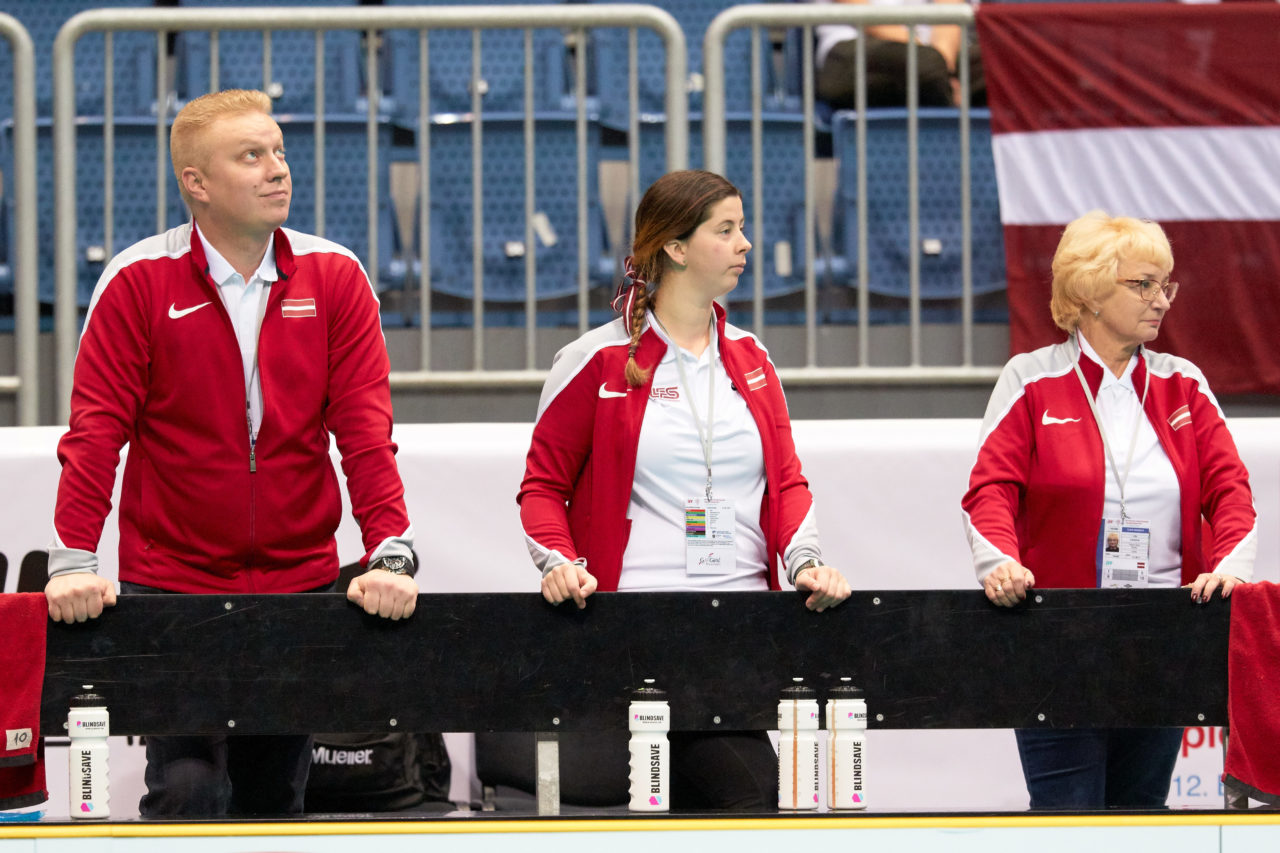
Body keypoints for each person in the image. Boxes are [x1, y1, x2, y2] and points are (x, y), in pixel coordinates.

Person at [44, 89, 418, 817]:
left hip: (299, 582)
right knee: (187, 788)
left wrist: (391, 550)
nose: (277, 169)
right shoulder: (135, 282)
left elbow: (365, 433)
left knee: (274, 796)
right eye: (252, 156)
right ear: (197, 182)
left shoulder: (337, 275)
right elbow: (96, 435)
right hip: (170, 583)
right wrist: (73, 563)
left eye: (278, 151)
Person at [518, 169, 852, 811]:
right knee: (737, 799)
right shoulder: (594, 359)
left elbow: (785, 482)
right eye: (725, 230)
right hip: (634, 627)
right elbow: (541, 488)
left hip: (744, 628)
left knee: (741, 802)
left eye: (743, 228)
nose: (745, 244)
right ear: (674, 247)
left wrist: (805, 562)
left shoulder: (754, 359)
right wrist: (562, 563)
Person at [961, 210, 1257, 810]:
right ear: (1091, 290)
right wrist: (1000, 563)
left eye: (1165, 284)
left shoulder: (1185, 384)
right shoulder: (1030, 379)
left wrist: (1231, 567)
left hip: (1163, 636)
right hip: (1057, 636)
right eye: (1142, 284)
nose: (1162, 301)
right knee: (1067, 822)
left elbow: (1232, 492)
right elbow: (989, 490)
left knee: (1142, 817)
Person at [813, 0, 986, 110]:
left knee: (998, 62)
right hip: (852, 47)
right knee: (923, 63)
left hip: (935, 52)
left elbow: (950, 7)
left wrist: (944, 66)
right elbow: (862, 13)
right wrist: (935, 64)